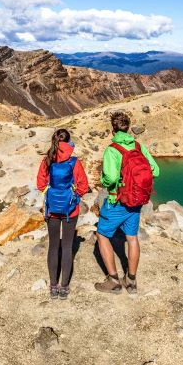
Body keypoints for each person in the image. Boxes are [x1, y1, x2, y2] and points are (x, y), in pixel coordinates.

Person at [94, 111, 159, 294]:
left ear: (112, 128)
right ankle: (131, 281)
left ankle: (113, 281)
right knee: (132, 238)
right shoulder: (138, 146)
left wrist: (106, 181)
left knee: (102, 235)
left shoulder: (112, 149)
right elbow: (156, 170)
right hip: (137, 201)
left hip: (118, 201)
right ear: (128, 127)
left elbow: (111, 178)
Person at [36, 128, 89, 300]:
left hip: (52, 209)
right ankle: (64, 287)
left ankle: (53, 286)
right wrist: (74, 197)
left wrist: (50, 193)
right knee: (67, 247)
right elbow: (83, 185)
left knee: (53, 246)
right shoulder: (74, 162)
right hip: (70, 210)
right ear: (69, 141)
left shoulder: (47, 160)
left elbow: (40, 183)